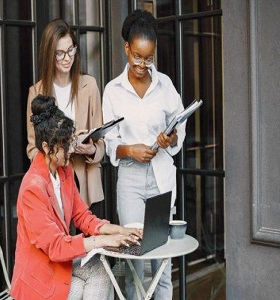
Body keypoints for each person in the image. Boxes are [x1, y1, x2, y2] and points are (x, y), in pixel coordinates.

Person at [10, 95, 142, 300]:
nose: (72, 150)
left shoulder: (64, 171)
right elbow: (57, 247)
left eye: (71, 143)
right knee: (87, 285)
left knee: (101, 269)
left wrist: (122, 231)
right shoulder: (32, 189)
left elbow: (83, 217)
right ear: (46, 147)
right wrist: (103, 241)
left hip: (58, 266)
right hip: (39, 281)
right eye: (66, 146)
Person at [102, 10, 186, 300]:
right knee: (134, 263)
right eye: (137, 56)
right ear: (127, 48)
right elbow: (110, 142)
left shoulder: (165, 87)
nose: (141, 65)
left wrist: (170, 137)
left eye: (148, 58)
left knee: (161, 264)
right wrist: (130, 150)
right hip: (130, 181)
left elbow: (179, 128)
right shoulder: (113, 91)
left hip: (161, 178)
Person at [26, 19, 105, 218]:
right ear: (49, 54)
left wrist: (91, 149)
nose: (67, 58)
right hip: (54, 184)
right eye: (59, 53)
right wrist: (55, 155)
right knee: (63, 245)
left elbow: (101, 140)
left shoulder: (90, 85)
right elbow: (32, 147)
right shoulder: (36, 92)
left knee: (92, 241)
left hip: (87, 183)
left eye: (71, 50)